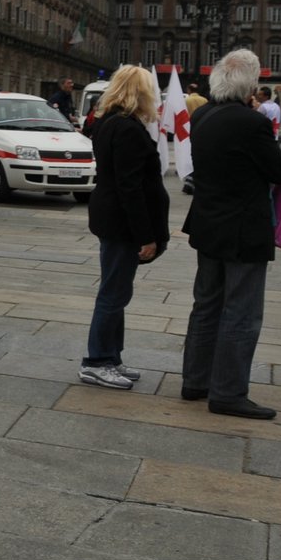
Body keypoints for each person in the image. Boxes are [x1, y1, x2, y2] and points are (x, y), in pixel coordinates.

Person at [181, 50, 281, 419]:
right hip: (243, 229)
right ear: (250, 84)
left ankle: (196, 381)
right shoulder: (251, 123)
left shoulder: (202, 116)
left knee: (206, 304)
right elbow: (278, 171)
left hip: (207, 224)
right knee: (241, 311)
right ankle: (228, 392)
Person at [79, 65, 170, 390]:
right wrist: (145, 236)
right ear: (142, 93)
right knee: (113, 293)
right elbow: (130, 188)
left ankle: (111, 356)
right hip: (120, 222)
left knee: (117, 291)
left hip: (109, 217)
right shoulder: (128, 129)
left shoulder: (108, 124)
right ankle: (97, 361)